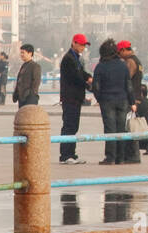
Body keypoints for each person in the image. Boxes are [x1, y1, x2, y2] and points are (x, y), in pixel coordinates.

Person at [93, 38, 133, 165]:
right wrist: (132, 102)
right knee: (121, 129)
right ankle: (120, 158)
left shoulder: (100, 67)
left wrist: (100, 98)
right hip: (122, 100)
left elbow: (95, 87)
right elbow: (129, 85)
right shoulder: (123, 65)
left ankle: (110, 157)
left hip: (107, 100)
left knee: (110, 129)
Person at [59, 34, 91, 164]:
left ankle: (71, 153)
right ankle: (65, 155)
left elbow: (81, 73)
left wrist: (89, 77)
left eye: (84, 45)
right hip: (70, 97)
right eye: (81, 44)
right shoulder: (68, 59)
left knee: (74, 126)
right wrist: (89, 85)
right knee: (69, 126)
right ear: (74, 43)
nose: (83, 47)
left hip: (76, 98)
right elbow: (75, 77)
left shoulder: (76, 58)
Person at [119, 40, 144, 162]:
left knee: (128, 127)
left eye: (119, 52)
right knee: (130, 126)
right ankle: (133, 155)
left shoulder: (130, 62)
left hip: (131, 99)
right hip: (137, 97)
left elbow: (126, 80)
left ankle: (133, 156)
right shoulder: (137, 61)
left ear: (124, 50)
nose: (119, 55)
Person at [13, 43, 40, 107]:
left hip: (29, 98)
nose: (21, 55)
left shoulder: (35, 66)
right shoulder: (24, 65)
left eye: (23, 53)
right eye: (21, 53)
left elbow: (36, 82)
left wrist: (31, 95)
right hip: (21, 98)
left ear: (30, 53)